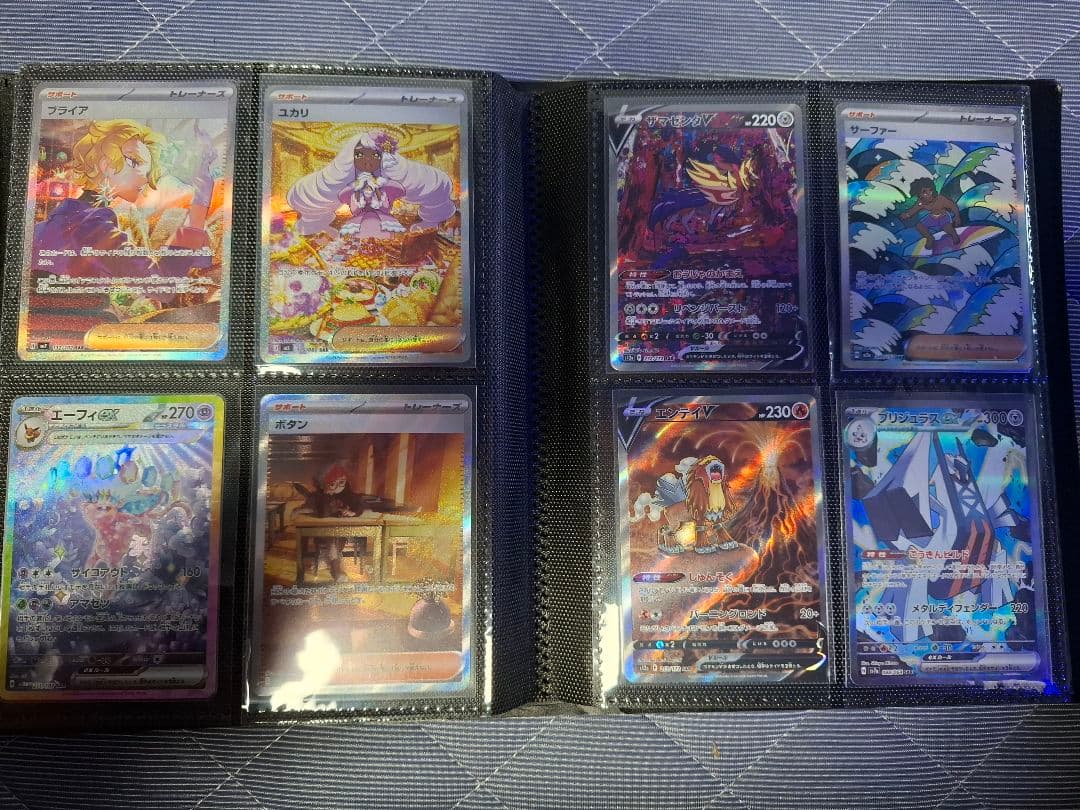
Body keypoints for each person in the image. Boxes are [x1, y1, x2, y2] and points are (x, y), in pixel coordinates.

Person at [286, 130, 457, 239]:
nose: (367, 161)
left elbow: (400, 195)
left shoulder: (390, 186)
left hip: (384, 226)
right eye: (360, 155)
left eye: (375, 155)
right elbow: (346, 202)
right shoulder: (350, 188)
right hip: (357, 227)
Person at [900, 177, 961, 251]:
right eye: (924, 192)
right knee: (919, 226)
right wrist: (907, 215)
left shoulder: (940, 199)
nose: (929, 194)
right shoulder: (921, 202)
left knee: (947, 228)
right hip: (932, 218)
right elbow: (914, 209)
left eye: (930, 190)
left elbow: (953, 206)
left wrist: (957, 217)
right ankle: (930, 238)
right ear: (919, 194)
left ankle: (954, 235)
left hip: (943, 217)